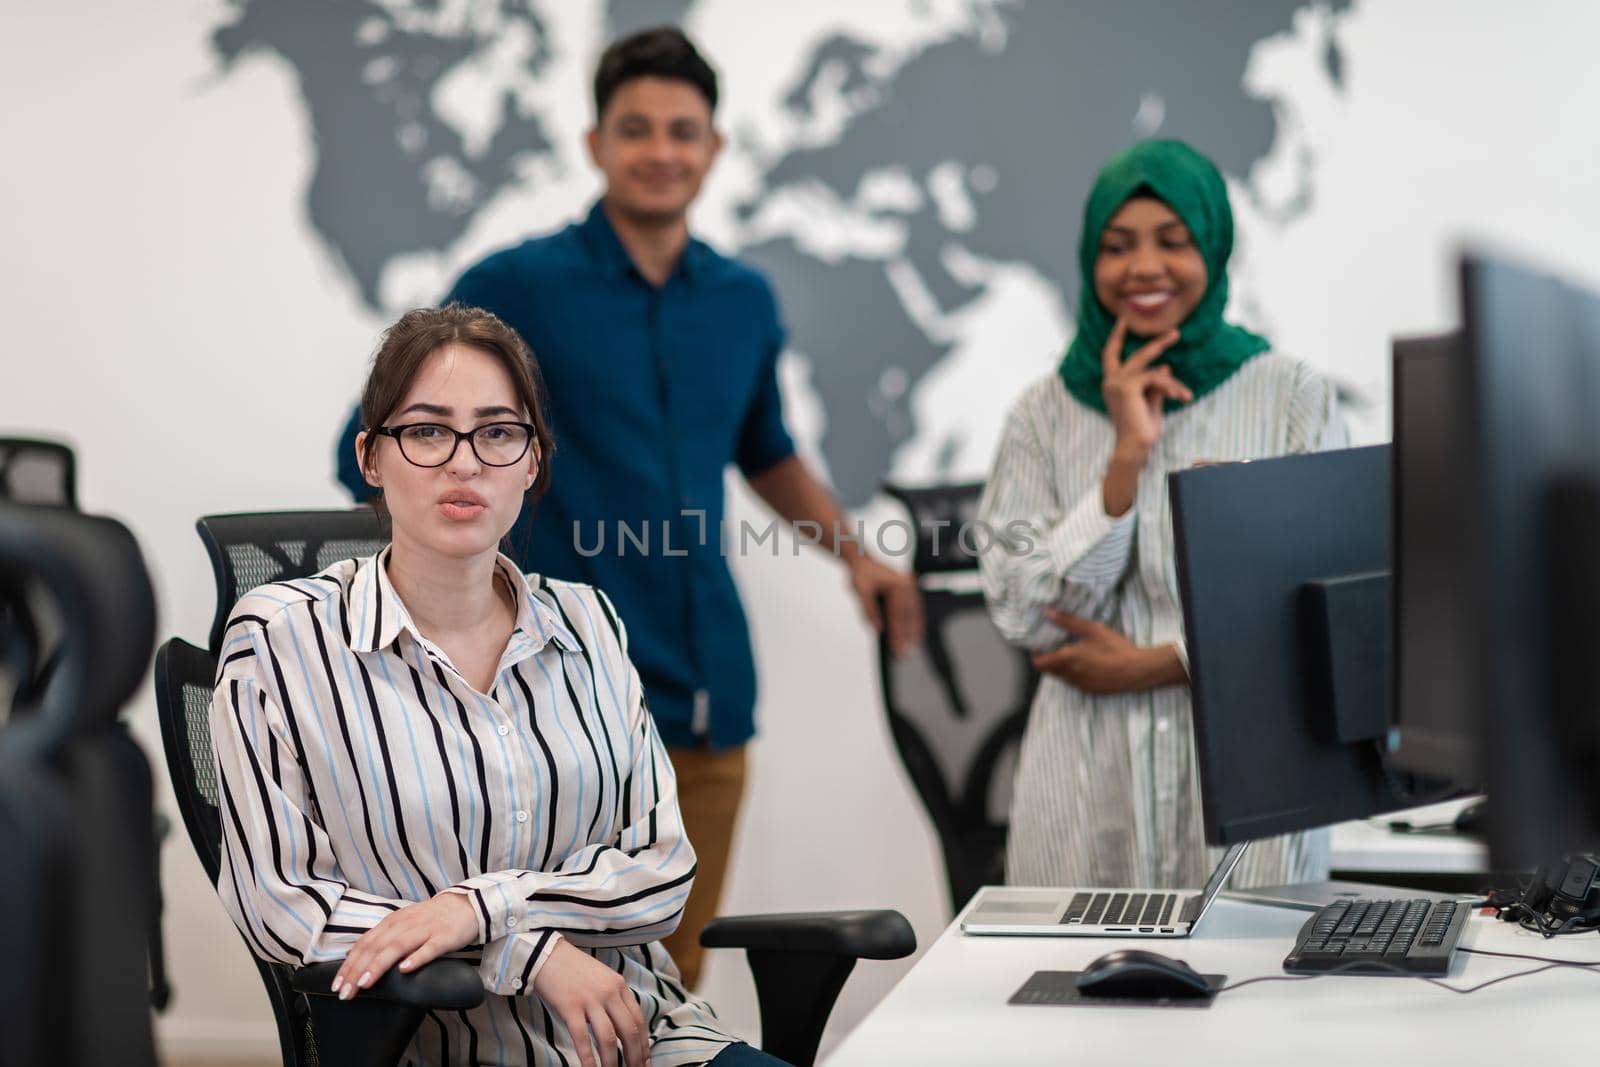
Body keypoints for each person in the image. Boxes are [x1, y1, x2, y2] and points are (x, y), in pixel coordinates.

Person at [334, 26, 922, 988]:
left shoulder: (741, 300)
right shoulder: (515, 287)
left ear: (714, 149)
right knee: (539, 982)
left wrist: (857, 555)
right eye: (637, 129)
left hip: (705, 696)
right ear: (595, 144)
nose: (661, 151)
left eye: (683, 131)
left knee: (666, 983)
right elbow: (391, 441)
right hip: (550, 702)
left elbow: (763, 449)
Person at [215, 306, 787, 1066]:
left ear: (532, 462)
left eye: (497, 431)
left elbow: (661, 869)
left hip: (643, 1043)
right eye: (425, 430)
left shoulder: (589, 621)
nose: (464, 461)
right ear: (371, 458)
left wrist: (476, 908)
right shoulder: (281, 640)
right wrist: (525, 951)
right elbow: (282, 908)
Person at [978, 139, 1346, 890]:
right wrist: (1124, 460)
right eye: (1118, 247)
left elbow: (1326, 613)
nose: (1144, 267)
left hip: (1250, 776)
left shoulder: (1290, 397)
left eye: (1173, 241)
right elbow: (1025, 614)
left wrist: (1158, 663)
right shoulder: (1041, 416)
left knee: (1262, 990)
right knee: (1072, 996)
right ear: (1090, 260)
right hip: (1084, 786)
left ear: (1213, 247)